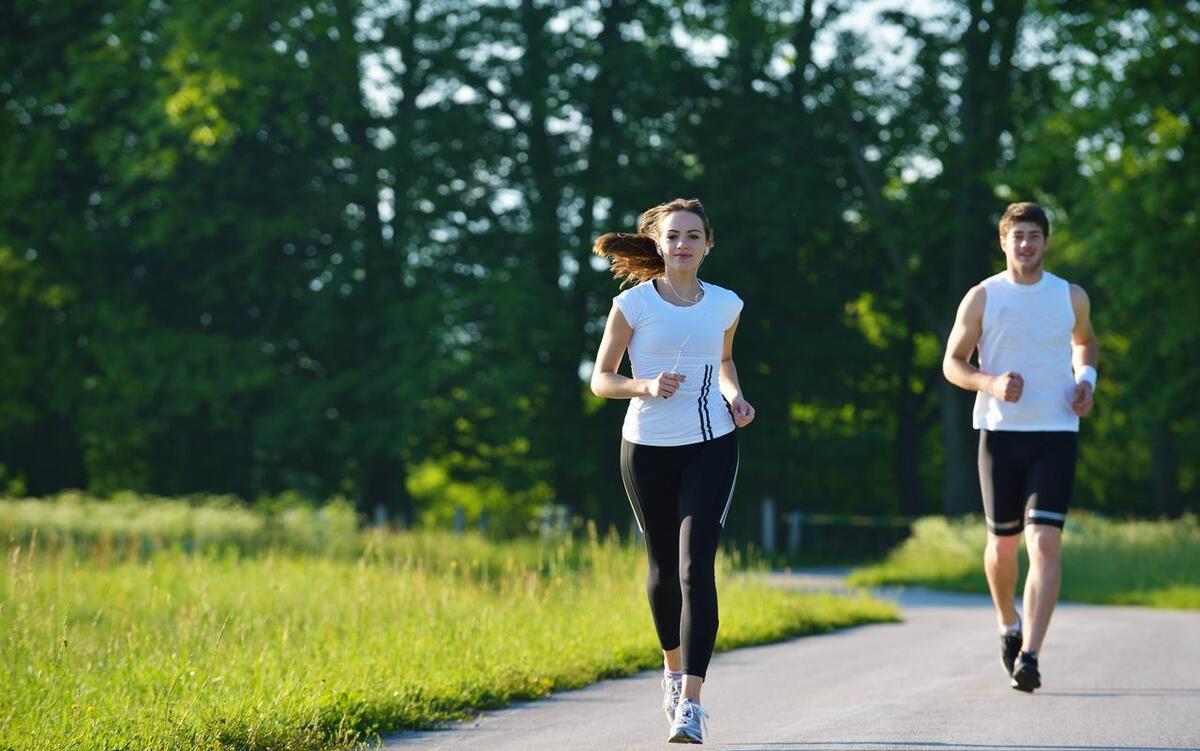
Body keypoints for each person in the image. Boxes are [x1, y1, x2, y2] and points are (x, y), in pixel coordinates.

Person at [590, 198, 755, 742]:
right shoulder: (632, 305)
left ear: (708, 244)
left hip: (712, 443)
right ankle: (672, 672)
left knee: (694, 569)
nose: (682, 244)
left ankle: (692, 704)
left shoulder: (726, 304)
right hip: (646, 447)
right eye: (673, 236)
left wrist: (735, 396)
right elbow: (602, 379)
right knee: (663, 569)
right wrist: (645, 385)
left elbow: (723, 360)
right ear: (658, 244)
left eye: (693, 236)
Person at [942, 202, 1098, 692]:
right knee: (1002, 546)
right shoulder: (983, 296)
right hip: (1000, 434)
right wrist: (989, 383)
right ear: (1003, 242)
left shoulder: (1070, 295)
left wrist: (1086, 381)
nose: (1026, 243)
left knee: (1045, 541)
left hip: (1056, 433)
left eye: (1034, 235)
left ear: (1045, 241)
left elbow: (1085, 342)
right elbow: (952, 363)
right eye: (1018, 235)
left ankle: (1029, 654)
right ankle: (1007, 623)